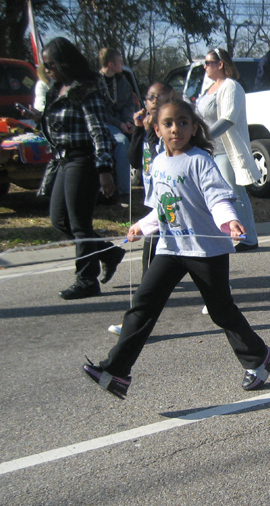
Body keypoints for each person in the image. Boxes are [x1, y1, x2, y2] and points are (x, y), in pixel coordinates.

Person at [83, 99, 270, 398]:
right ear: (157, 128)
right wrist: (142, 227)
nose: (176, 129)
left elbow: (217, 198)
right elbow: (162, 208)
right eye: (169, 123)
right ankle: (116, 372)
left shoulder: (199, 160)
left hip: (204, 251)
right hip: (170, 247)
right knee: (142, 305)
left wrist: (230, 222)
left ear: (194, 127)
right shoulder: (159, 163)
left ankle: (259, 356)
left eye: (183, 122)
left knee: (221, 311)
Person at [36, 37, 124, 300]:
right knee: (59, 220)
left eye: (50, 63)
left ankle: (87, 279)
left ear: (64, 62)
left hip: (82, 160)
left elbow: (99, 132)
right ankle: (108, 252)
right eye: (44, 64)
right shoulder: (57, 89)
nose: (46, 68)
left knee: (80, 223)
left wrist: (104, 169)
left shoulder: (86, 90)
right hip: (62, 159)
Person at [108, 81, 174, 337]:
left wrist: (150, 130)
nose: (153, 101)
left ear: (170, 97)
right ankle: (136, 327)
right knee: (151, 278)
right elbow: (135, 159)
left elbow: (161, 155)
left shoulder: (171, 127)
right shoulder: (147, 127)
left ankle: (220, 303)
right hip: (155, 210)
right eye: (149, 97)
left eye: (159, 96)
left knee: (151, 279)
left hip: (171, 210)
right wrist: (138, 130)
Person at [196, 48, 261, 252]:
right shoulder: (208, 89)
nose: (205, 67)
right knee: (212, 196)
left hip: (225, 151)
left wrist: (202, 138)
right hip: (208, 152)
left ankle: (248, 238)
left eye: (208, 63)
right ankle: (220, 237)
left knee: (235, 195)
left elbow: (228, 119)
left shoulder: (231, 87)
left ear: (220, 64)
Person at [98, 48, 134, 203]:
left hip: (120, 123)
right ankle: (124, 192)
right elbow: (99, 112)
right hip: (102, 124)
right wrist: (119, 124)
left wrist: (128, 121)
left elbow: (128, 104)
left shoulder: (122, 81)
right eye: (120, 61)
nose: (122, 64)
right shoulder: (95, 82)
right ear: (111, 64)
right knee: (122, 142)